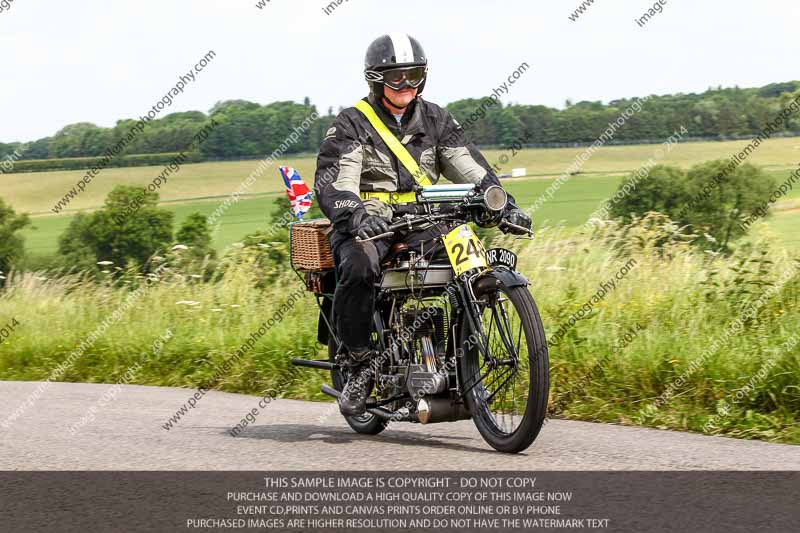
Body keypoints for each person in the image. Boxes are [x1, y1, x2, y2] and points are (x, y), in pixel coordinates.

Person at [314, 33, 531, 416]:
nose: (406, 85)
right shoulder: (351, 124)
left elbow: (471, 166)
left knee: (472, 264)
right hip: (369, 224)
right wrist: (355, 215)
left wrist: (502, 204)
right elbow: (337, 182)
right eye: (396, 77)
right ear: (376, 79)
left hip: (423, 220)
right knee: (359, 265)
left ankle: (458, 357)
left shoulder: (436, 119)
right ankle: (361, 363)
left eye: (413, 75)